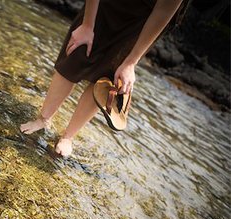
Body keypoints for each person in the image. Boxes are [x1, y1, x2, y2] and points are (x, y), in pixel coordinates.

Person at [20, 0, 187, 157]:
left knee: (110, 75)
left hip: (144, 19)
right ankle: (43, 119)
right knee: (76, 53)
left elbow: (164, 9)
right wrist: (87, 25)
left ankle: (68, 136)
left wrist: (131, 62)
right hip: (105, 4)